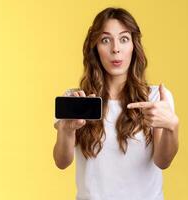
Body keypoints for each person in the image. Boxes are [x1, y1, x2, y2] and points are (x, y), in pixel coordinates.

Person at [53, 7, 180, 200]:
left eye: (123, 39)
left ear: (133, 46)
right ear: (95, 47)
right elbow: (61, 162)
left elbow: (163, 161)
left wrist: (172, 126)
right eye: (106, 40)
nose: (115, 49)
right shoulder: (77, 99)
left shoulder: (154, 98)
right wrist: (66, 130)